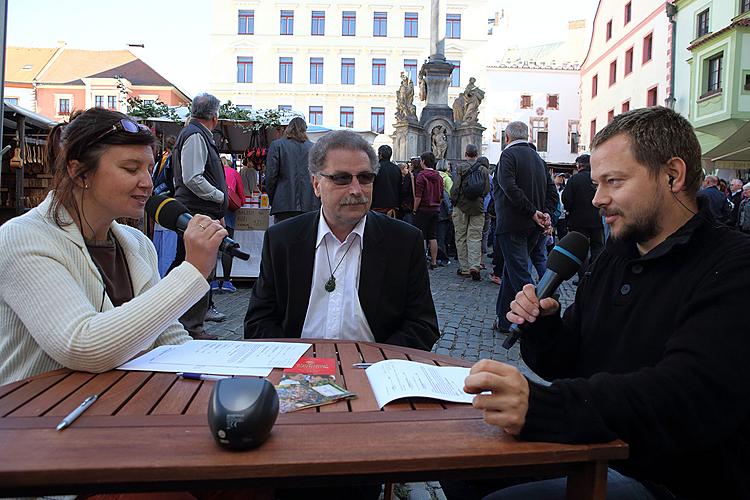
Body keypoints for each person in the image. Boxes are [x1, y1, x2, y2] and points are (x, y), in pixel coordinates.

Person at [462, 107, 750, 500]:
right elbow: (568, 363)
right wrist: (544, 327)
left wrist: (544, 408)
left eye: (613, 181)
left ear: (673, 175)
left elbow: (686, 395)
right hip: (593, 449)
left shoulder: (734, 264)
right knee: (462, 466)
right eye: (597, 183)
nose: (598, 198)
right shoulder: (614, 256)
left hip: (672, 478)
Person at [0, 108, 226, 384]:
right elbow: (84, 346)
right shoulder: (23, 239)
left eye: (148, 168)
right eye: (131, 169)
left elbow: (168, 336)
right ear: (79, 172)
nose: (147, 182)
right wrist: (192, 270)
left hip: (115, 412)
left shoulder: (138, 244)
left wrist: (224, 374)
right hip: (34, 419)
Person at [244, 130, 439, 352]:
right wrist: (294, 362)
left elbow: (423, 325)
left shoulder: (403, 241)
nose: (356, 190)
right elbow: (259, 322)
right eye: (342, 178)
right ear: (316, 184)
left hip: (372, 371)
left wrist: (373, 362)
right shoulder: (282, 239)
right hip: (296, 370)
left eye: (365, 178)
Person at [168, 92, 227, 338]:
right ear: (214, 116)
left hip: (199, 210)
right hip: (197, 209)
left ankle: (188, 324)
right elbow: (192, 177)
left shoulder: (194, 133)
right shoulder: (195, 135)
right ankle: (190, 327)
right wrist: (219, 197)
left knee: (194, 264)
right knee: (196, 266)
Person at [493, 122, 557, 333]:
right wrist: (544, 213)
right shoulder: (539, 159)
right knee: (511, 273)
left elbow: (508, 186)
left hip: (514, 224)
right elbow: (551, 191)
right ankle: (503, 320)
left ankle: (536, 322)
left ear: (507, 138)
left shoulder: (508, 156)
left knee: (521, 277)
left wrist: (532, 212)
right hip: (533, 226)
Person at [265, 116, 320, 223]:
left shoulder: (277, 145)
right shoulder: (313, 148)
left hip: (283, 204)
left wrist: (274, 199)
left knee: (283, 238)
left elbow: (271, 177)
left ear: (288, 128)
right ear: (305, 130)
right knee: (306, 238)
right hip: (309, 204)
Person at [562, 154, 604, 284]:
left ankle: (583, 279)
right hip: (597, 220)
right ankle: (594, 275)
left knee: (581, 251)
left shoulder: (575, 179)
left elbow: (566, 198)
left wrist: (570, 209)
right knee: (597, 248)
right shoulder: (597, 178)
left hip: (578, 220)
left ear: (579, 165)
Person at [450, 144, 490, 280]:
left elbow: (455, 188)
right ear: (477, 154)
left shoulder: (461, 167)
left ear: (466, 154)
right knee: (475, 237)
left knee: (461, 237)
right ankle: (475, 265)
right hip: (478, 207)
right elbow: (486, 190)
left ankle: (465, 268)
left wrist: (454, 201)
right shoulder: (484, 170)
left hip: (461, 206)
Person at [212, 157, 245, 293]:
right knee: (227, 245)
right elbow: (241, 197)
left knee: (213, 246)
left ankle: (212, 281)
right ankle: (226, 281)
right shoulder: (234, 173)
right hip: (229, 213)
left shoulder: (213, 172)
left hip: (213, 211)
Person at [413, 152, 444, 269]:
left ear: (424, 161)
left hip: (423, 209)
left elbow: (418, 196)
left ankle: (422, 260)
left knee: (421, 236)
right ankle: (434, 261)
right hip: (435, 209)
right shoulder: (439, 177)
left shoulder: (421, 176)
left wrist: (414, 209)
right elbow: (441, 195)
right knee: (433, 236)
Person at [371, 144, 402, 217]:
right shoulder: (396, 168)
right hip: (393, 206)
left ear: (380, 155)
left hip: (377, 206)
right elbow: (400, 187)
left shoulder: (375, 168)